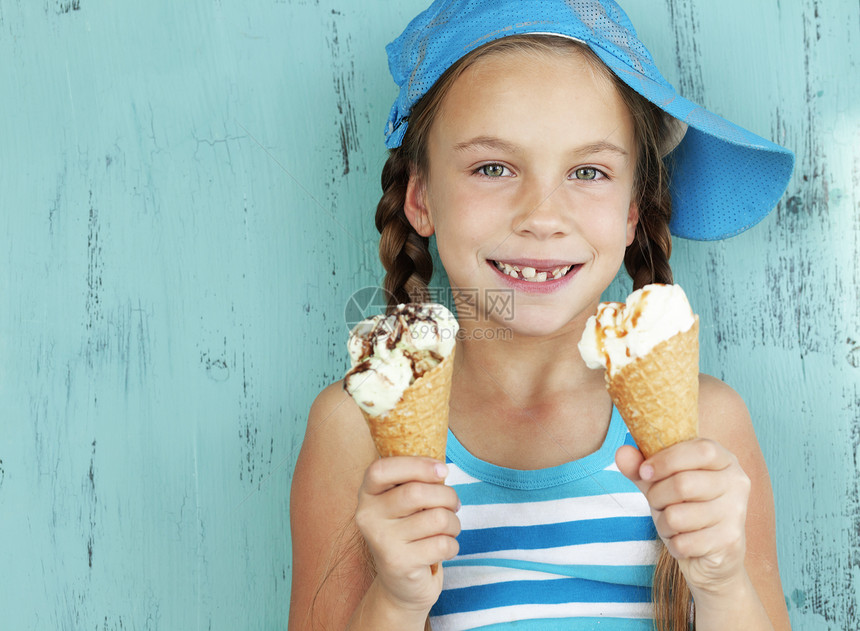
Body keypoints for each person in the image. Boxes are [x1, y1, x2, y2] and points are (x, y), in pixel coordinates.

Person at [289, 1, 795, 629]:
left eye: (588, 171)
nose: (543, 215)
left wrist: (720, 582)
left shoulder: (710, 422)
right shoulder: (352, 430)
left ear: (633, 210)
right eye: (492, 168)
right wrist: (394, 600)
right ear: (420, 198)